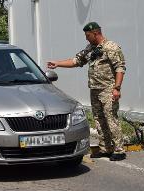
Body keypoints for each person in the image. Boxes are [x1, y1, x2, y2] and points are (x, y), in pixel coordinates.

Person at [47, 22, 126, 161]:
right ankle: (105, 148)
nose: (86, 38)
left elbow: (120, 67)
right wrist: (58, 64)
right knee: (99, 119)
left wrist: (117, 88)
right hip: (95, 89)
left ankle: (119, 150)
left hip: (108, 89)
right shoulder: (90, 48)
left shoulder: (111, 47)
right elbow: (76, 61)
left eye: (88, 35)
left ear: (96, 33)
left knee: (111, 118)